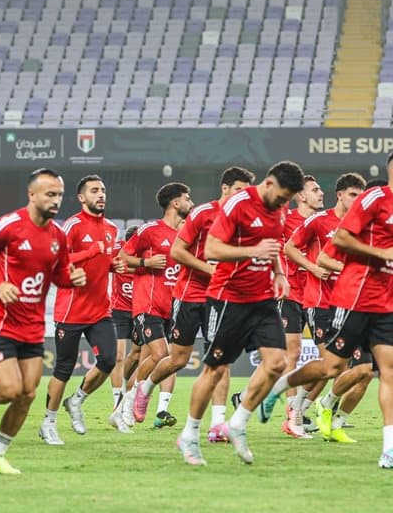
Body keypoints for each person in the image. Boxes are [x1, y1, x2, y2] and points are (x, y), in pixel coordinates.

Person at [262, 149, 393, 470]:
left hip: (386, 301)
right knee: (332, 366)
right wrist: (381, 254)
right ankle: (281, 388)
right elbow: (340, 239)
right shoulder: (371, 199)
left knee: (388, 370)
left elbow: (392, 259)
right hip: (354, 297)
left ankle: (390, 450)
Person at [175, 162, 305, 466]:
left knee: (277, 363)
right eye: (282, 197)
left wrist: (279, 273)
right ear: (269, 184)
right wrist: (252, 251)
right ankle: (189, 435)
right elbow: (212, 250)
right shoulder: (239, 203)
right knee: (215, 369)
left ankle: (237, 422)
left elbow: (273, 245)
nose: (284, 204)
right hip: (228, 298)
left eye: (288, 200)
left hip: (262, 298)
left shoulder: (279, 207)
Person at [0, 169, 87, 474]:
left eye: (59, 195)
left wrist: (72, 279)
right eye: (50, 194)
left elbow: (58, 275)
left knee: (28, 393)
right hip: (1, 321)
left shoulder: (57, 236)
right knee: (11, 389)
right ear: (32, 195)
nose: (56, 200)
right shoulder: (9, 225)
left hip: (33, 326)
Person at [137, 167, 254, 443]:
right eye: (239, 190)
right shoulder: (203, 213)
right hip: (189, 295)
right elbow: (177, 252)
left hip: (221, 299)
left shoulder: (245, 220)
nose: (243, 197)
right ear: (225, 188)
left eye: (247, 192)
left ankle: (217, 426)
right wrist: (208, 269)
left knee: (220, 361)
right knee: (178, 358)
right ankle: (146, 387)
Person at [282, 173, 369, 440]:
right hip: (319, 302)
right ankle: (296, 411)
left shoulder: (361, 228)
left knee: (348, 368)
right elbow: (289, 248)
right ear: (340, 195)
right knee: (333, 365)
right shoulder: (319, 220)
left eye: (361, 196)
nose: (357, 200)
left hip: (347, 305)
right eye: (353, 195)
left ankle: (305, 410)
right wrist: (312, 267)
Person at [40, 176, 118, 445]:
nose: (101, 194)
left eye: (103, 190)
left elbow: (104, 261)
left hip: (100, 310)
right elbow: (56, 261)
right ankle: (48, 423)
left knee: (109, 360)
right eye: (94, 191)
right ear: (82, 198)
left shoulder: (111, 228)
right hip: (71, 311)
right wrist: (90, 253)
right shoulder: (72, 226)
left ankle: (76, 400)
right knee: (64, 368)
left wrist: (113, 265)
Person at [120, 182, 194, 428]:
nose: (191, 203)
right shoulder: (151, 230)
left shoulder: (186, 236)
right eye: (187, 198)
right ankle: (131, 400)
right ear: (175, 203)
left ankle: (131, 402)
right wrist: (146, 262)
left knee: (168, 359)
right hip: (148, 304)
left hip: (173, 307)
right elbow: (122, 257)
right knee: (161, 354)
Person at [268, 175, 323, 421]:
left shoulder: (323, 222)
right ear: (301, 196)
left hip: (316, 294)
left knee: (329, 359)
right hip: (290, 293)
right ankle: (293, 411)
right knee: (293, 352)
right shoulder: (285, 220)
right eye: (315, 189)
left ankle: (301, 406)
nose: (321, 193)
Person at [107, 224, 140, 433]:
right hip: (118, 310)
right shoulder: (117, 250)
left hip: (140, 310)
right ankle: (116, 402)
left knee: (137, 356)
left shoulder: (147, 254)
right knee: (118, 356)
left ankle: (127, 403)